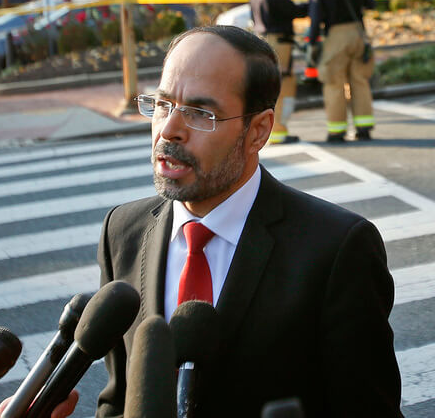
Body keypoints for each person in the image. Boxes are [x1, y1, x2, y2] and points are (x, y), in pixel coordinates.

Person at [96, 25, 402, 418]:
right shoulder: (121, 232)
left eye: (200, 113)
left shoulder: (337, 250)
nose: (169, 130)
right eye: (162, 104)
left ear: (258, 131)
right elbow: (116, 402)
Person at [307, 0, 376, 142]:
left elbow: (316, 17)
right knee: (360, 81)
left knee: (334, 83)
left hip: (335, 36)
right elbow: (370, 4)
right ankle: (364, 128)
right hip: (357, 33)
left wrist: (312, 43)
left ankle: (337, 131)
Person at [248, 0, 308, 145]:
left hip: (261, 42)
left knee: (268, 87)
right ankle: (279, 131)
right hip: (279, 44)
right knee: (283, 87)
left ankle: (270, 131)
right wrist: (313, 3)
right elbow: (294, 12)